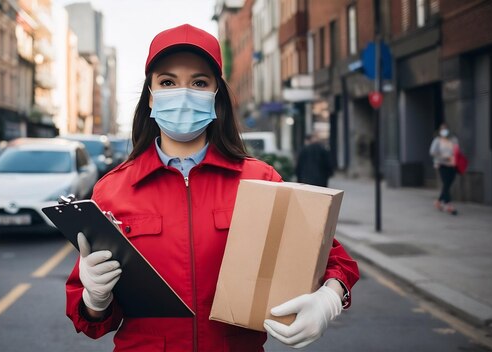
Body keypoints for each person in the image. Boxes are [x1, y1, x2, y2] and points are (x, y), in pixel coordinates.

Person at [65, 24, 360, 351]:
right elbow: (90, 321)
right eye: (167, 82)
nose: (184, 93)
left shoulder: (260, 180)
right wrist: (95, 297)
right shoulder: (112, 191)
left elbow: (336, 260)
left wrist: (328, 299)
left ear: (216, 95)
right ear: (150, 97)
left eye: (199, 82)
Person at [429, 123, 459, 215]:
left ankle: (438, 201)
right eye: (442, 129)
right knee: (446, 183)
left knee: (449, 183)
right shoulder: (437, 140)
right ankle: (448, 204)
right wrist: (443, 156)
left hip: (452, 164)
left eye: (445, 129)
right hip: (442, 164)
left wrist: (452, 156)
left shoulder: (453, 139)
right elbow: (432, 152)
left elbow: (456, 150)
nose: (444, 131)